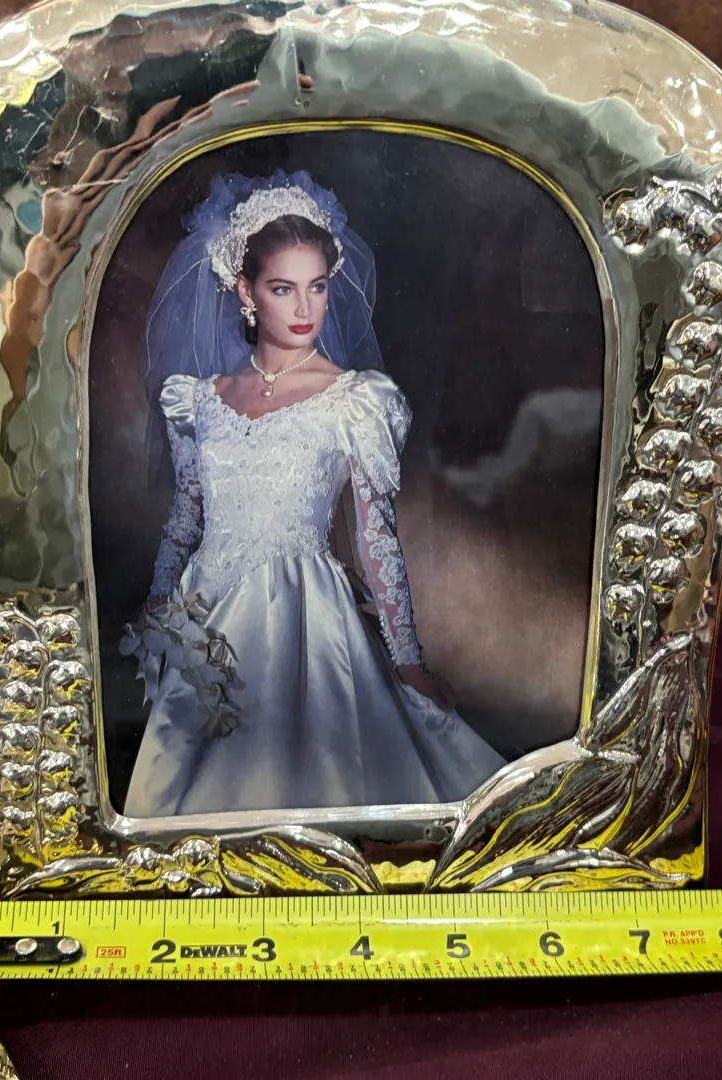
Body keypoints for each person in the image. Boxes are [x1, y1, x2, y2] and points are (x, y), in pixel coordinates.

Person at [121, 169, 506, 817]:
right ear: (245, 291)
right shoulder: (200, 401)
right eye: (283, 288)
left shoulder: (352, 400)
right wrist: (160, 598)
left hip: (303, 615)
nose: (305, 309)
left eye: (317, 287)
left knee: (314, 784)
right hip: (205, 611)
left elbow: (376, 535)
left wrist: (407, 660)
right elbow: (186, 517)